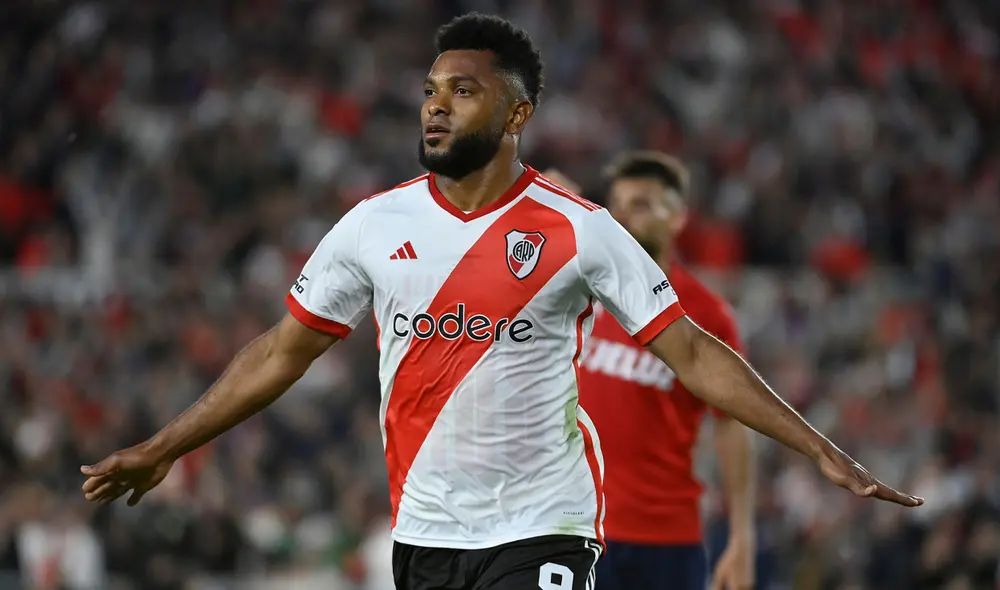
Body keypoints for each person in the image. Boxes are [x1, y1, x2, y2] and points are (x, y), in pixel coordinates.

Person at [80, 13, 922, 590]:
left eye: (464, 91)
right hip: (426, 532)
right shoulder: (376, 225)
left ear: (518, 111)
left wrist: (817, 449)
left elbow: (694, 353)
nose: (437, 105)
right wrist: (165, 446)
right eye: (430, 90)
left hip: (543, 522)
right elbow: (279, 352)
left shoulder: (580, 231)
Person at [548, 155, 756, 590]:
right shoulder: (578, 288)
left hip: (664, 539)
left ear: (678, 217)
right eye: (616, 205)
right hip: (572, 528)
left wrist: (741, 537)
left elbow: (733, 426)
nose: (622, 216)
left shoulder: (705, 317)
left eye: (641, 204)